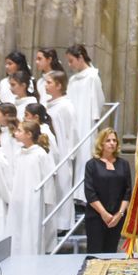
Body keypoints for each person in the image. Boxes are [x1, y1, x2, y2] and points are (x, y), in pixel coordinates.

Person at [5, 122, 53, 255]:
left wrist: (48, 200)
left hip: (33, 198)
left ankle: (32, 255)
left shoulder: (40, 154)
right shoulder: (18, 153)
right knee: (17, 227)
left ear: (29, 134)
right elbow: (13, 174)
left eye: (19, 131)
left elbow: (48, 178)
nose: (16, 133)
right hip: (18, 197)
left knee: (31, 228)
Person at [84, 128, 130, 255]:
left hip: (117, 217)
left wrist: (120, 214)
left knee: (111, 252)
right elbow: (89, 192)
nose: (112, 143)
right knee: (95, 253)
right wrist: (104, 214)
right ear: (101, 144)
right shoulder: (92, 164)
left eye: (114, 140)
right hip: (96, 216)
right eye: (108, 140)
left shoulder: (124, 164)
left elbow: (127, 191)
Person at [42, 71, 79, 230]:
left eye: (49, 82)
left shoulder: (66, 106)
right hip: (50, 151)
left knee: (62, 187)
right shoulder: (47, 104)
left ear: (59, 85)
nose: (46, 85)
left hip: (63, 151)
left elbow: (72, 132)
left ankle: (63, 224)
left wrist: (69, 154)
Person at [64, 44, 107, 146]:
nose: (69, 64)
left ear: (80, 58)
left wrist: (94, 118)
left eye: (71, 61)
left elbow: (99, 101)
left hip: (87, 120)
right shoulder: (72, 80)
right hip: (73, 120)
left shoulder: (92, 77)